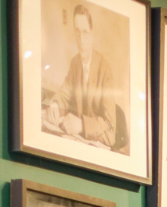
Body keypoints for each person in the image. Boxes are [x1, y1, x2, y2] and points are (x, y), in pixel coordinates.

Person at [44, 4, 117, 149]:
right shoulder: (75, 63)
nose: (81, 40)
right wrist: (55, 105)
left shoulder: (105, 69)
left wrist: (82, 125)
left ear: (92, 36)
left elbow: (110, 131)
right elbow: (64, 94)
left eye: (85, 32)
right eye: (77, 32)